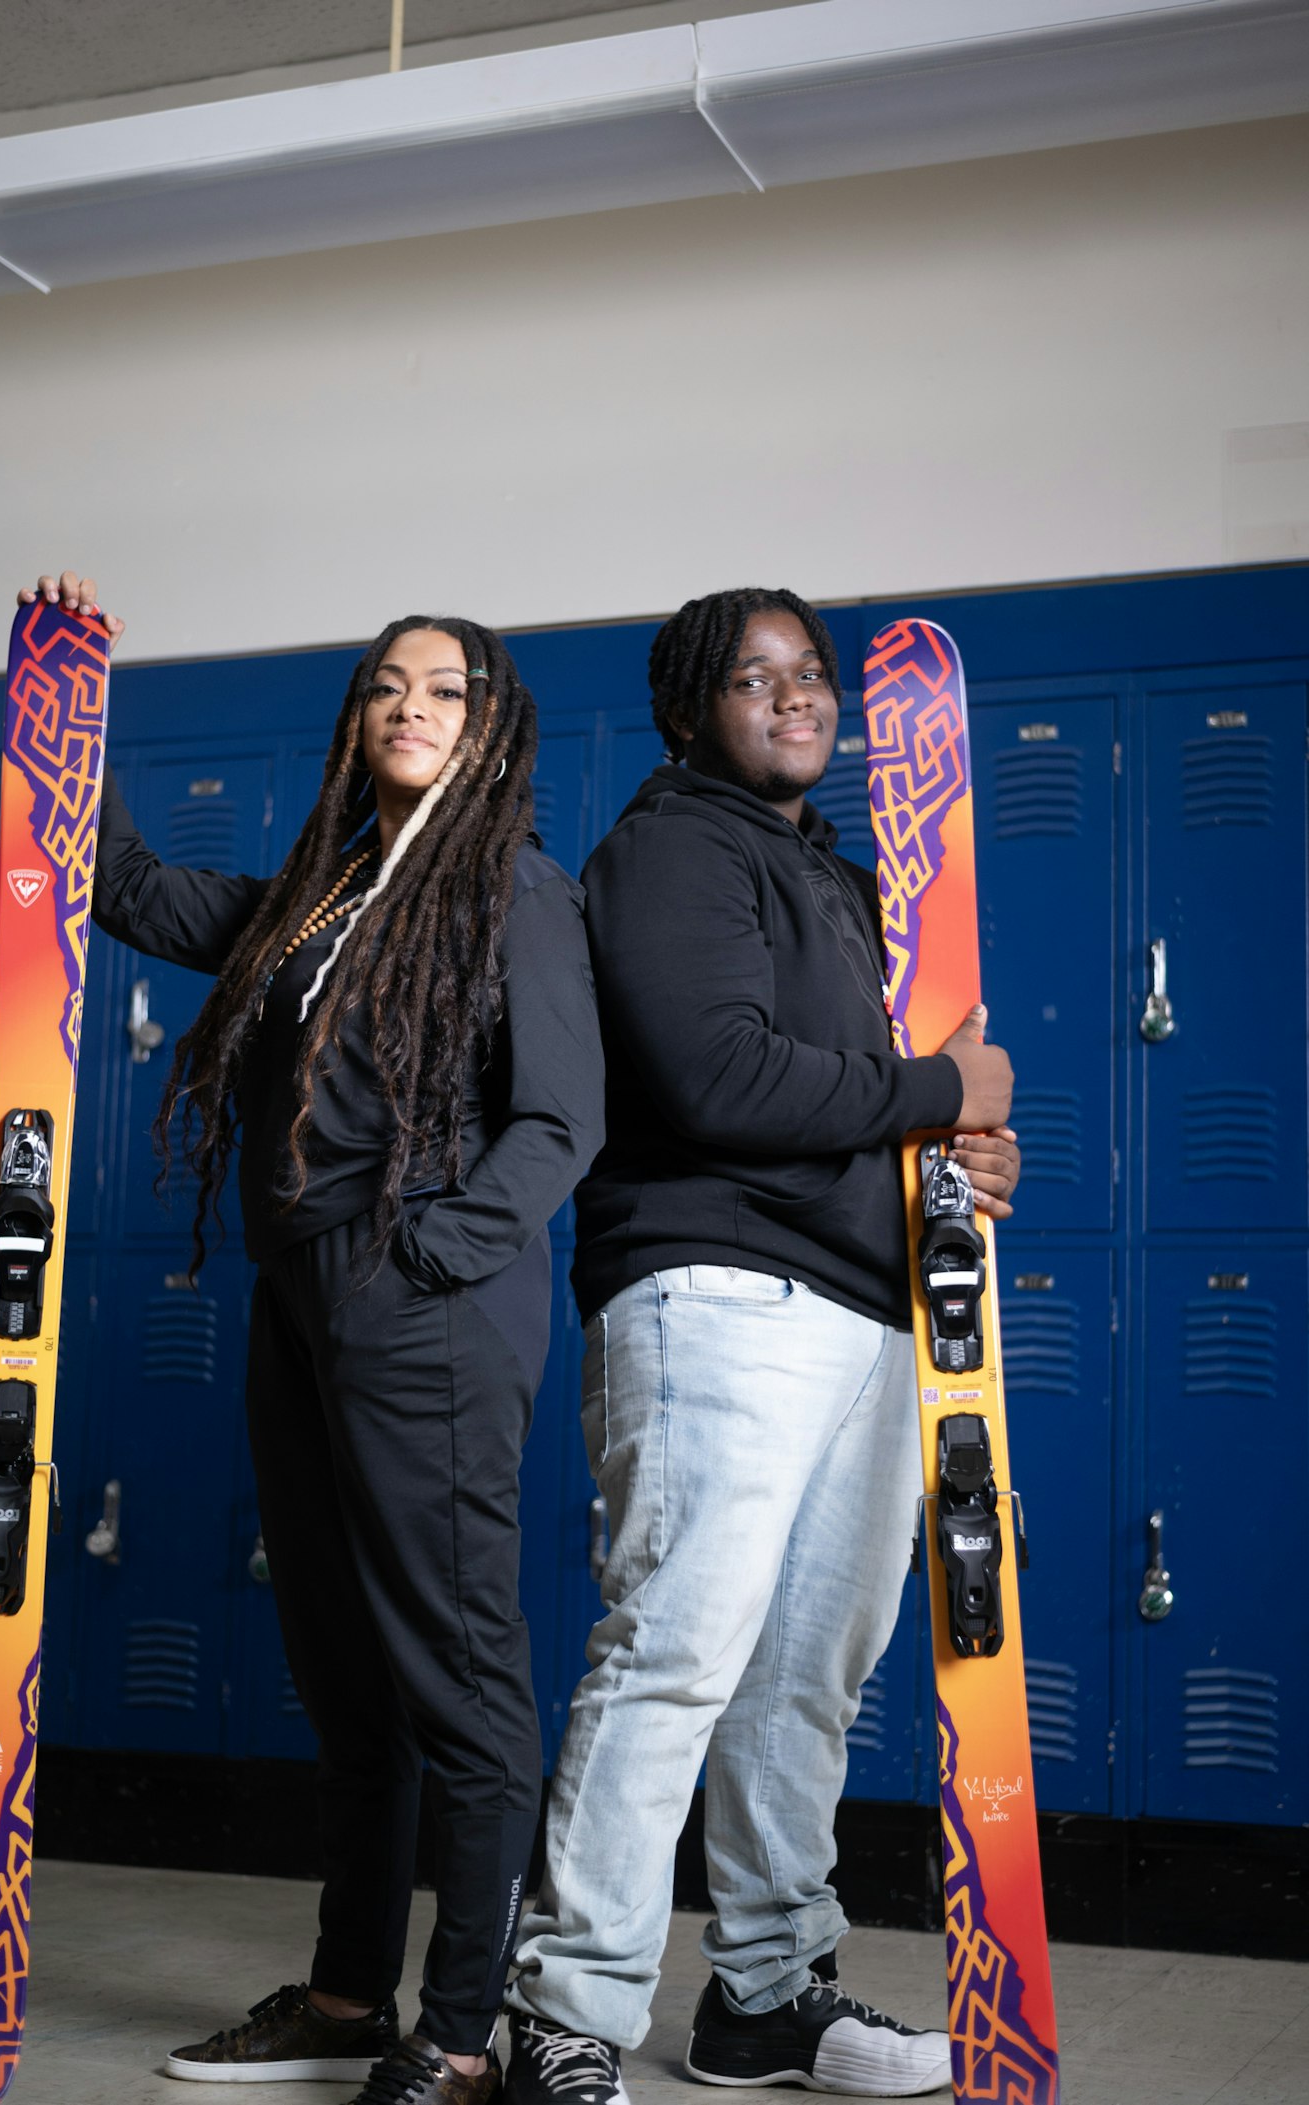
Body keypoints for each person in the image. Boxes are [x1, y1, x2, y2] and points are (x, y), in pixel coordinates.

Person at [19, 572, 605, 2105]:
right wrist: (67, 693)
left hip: (423, 1301)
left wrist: (425, 1257)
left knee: (460, 1674)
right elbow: (127, 888)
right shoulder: (317, 895)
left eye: (446, 688)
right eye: (386, 685)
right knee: (345, 1669)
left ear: (492, 729)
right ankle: (351, 1993)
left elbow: (560, 1120)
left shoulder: (516, 889)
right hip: (301, 1297)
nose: (411, 706)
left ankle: (459, 2035)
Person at [503, 588, 1020, 2103]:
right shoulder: (671, 849)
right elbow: (720, 1077)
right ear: (690, 710)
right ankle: (564, 2013)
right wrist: (940, 1088)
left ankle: (767, 1997)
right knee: (676, 1651)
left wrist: (965, 1153)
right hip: (718, 1291)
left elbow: (875, 1100)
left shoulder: (847, 885)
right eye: (754, 674)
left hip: (866, 1306)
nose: (797, 695)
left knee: (805, 1680)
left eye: (811, 672)